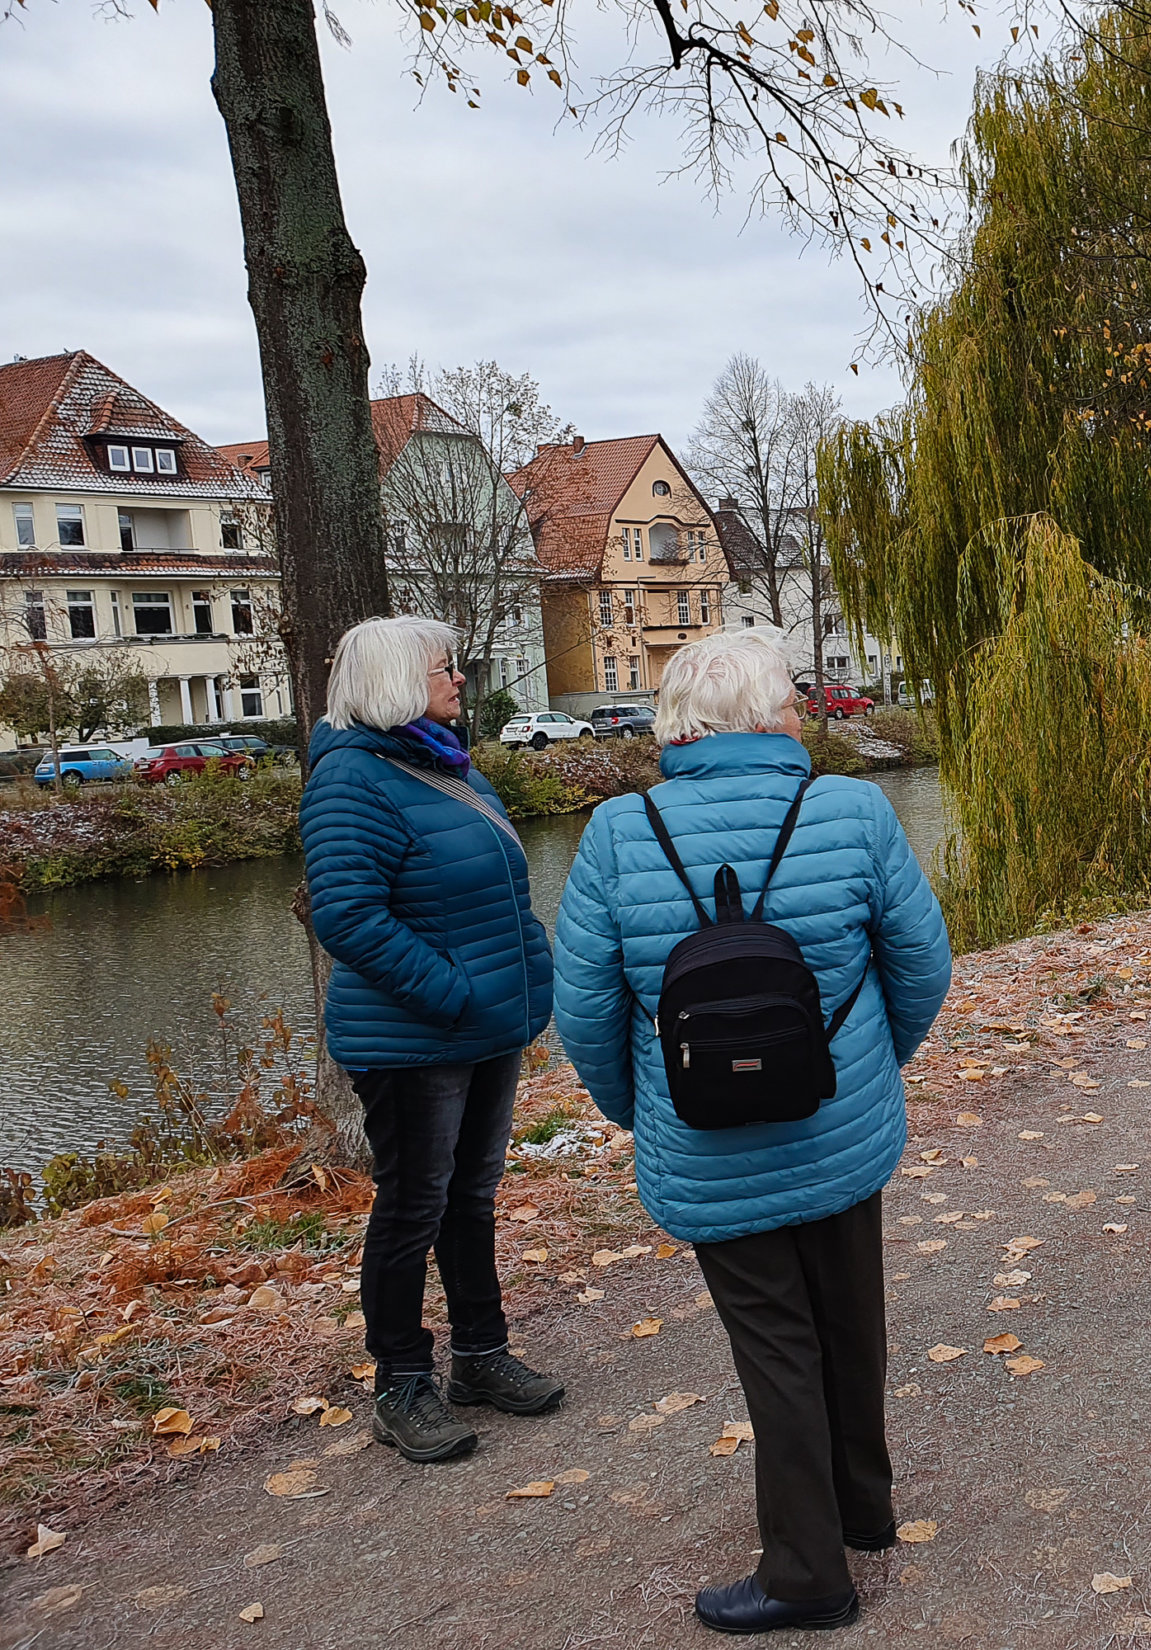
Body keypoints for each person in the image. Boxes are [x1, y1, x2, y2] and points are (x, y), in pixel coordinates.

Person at [554, 629, 953, 1636]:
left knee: (776, 1346)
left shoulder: (616, 833)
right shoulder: (850, 809)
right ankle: (861, 1514)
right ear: (763, 716)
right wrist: (866, 1066)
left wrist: (640, 1108)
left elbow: (589, 1015)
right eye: (788, 701)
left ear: (682, 722)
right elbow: (921, 964)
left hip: (705, 1140)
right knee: (850, 1321)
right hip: (840, 1123)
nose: (796, 716)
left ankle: (807, 1572)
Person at [299, 617, 560, 1464]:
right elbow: (347, 914)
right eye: (443, 667)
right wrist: (452, 993)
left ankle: (479, 1358)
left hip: (483, 1025)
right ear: (396, 684)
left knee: (470, 1196)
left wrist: (521, 978)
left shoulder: (443, 763)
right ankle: (401, 1382)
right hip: (416, 1037)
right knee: (413, 1205)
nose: (457, 678)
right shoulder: (351, 779)